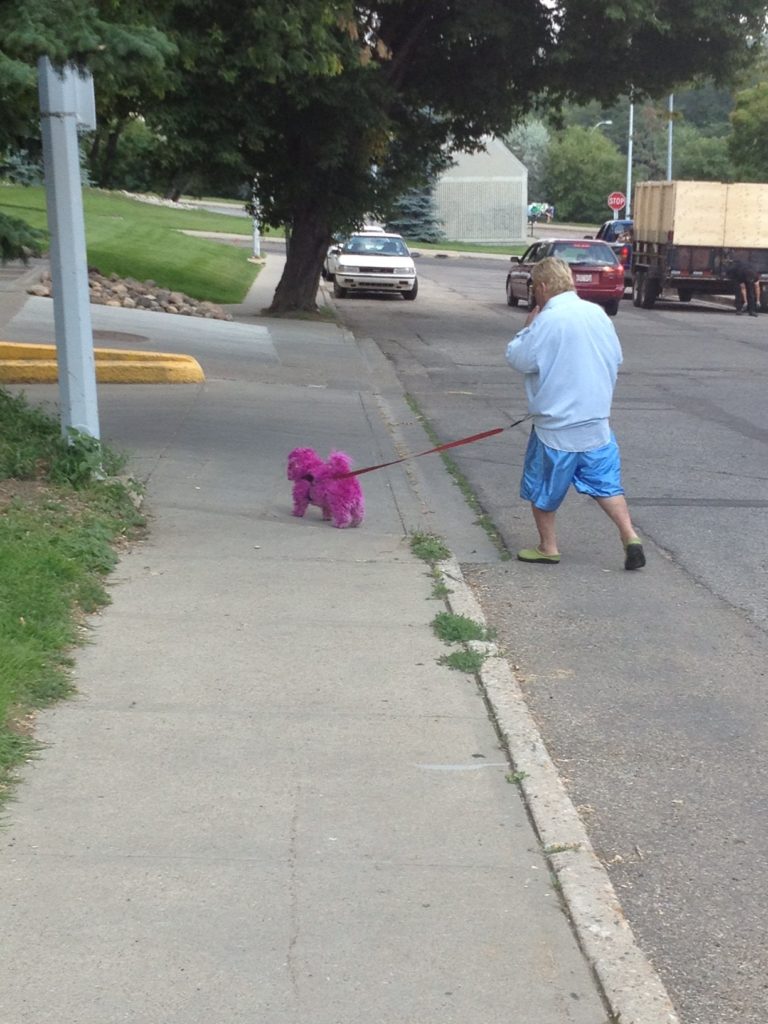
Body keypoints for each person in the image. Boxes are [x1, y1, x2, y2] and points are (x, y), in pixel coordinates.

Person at [505, 256, 645, 570]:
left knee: (543, 489)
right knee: (606, 486)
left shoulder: (546, 321)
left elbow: (519, 360)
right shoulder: (597, 314)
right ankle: (629, 535)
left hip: (555, 428)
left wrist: (526, 330)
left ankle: (548, 546)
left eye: (535, 289)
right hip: (596, 423)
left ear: (542, 287)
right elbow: (616, 357)